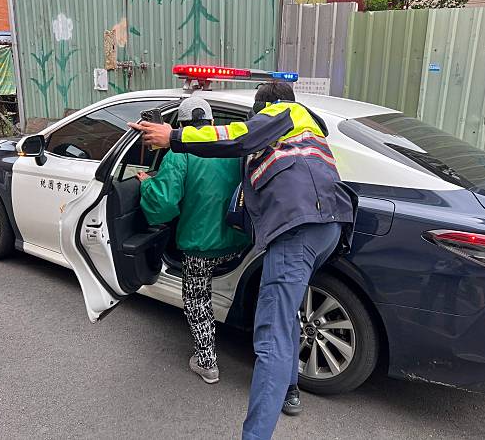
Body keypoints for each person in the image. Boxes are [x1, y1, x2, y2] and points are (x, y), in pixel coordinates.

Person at [130, 83, 354, 440]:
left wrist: (170, 139)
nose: (254, 114)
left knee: (270, 336)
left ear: (265, 106)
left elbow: (230, 141)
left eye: (256, 109)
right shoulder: (305, 131)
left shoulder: (281, 114)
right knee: (288, 311)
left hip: (286, 229)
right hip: (322, 227)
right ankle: (291, 389)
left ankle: (249, 424)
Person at [137, 96, 250, 384]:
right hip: (239, 243)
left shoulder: (179, 152)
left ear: (181, 126)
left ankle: (207, 362)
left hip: (200, 247)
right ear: (212, 122)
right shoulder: (233, 148)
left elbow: (164, 202)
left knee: (197, 300)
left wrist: (146, 184)